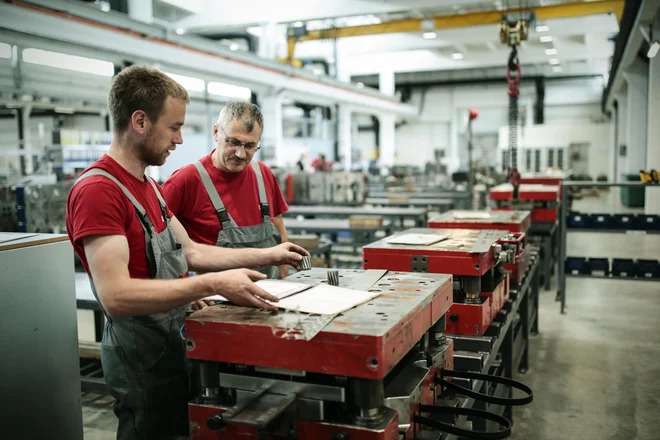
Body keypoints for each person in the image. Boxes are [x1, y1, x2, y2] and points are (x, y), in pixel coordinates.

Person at [66, 65, 309, 440]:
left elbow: (192, 251)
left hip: (172, 338)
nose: (180, 140)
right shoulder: (99, 191)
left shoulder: (146, 184)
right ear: (141, 121)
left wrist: (269, 254)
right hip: (141, 354)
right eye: (175, 127)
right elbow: (115, 296)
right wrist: (210, 285)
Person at [162, 101, 291, 279]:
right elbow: (161, 246)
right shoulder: (185, 181)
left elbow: (279, 228)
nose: (241, 154)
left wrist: (285, 276)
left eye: (250, 146)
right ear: (216, 132)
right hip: (216, 300)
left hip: (272, 292)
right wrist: (184, 291)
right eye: (233, 142)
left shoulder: (264, 175)